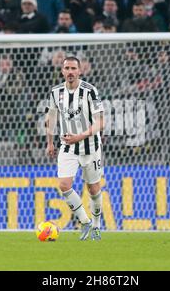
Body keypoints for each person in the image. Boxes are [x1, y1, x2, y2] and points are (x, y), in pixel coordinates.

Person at [45, 56, 104, 241]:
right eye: (67, 68)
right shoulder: (56, 92)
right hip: (68, 147)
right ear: (62, 71)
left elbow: (101, 122)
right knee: (64, 185)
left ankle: (96, 225)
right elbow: (51, 118)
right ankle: (85, 221)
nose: (70, 72)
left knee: (93, 189)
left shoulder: (90, 91)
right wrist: (49, 142)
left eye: (73, 68)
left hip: (91, 147)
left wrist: (80, 136)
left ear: (79, 71)